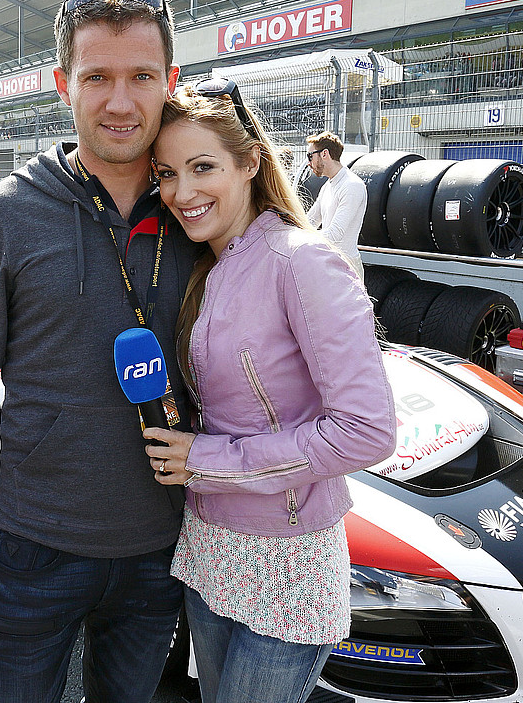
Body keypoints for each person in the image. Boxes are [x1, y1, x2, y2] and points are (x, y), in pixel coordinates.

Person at [0, 0, 195, 703]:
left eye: (142, 77)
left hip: (162, 552)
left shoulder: (200, 210)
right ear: (62, 85)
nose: (120, 102)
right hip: (35, 548)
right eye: (97, 77)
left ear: (170, 82)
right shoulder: (4, 215)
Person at [146, 81, 396, 703]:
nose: (182, 192)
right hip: (209, 547)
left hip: (288, 564)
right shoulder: (202, 267)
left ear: (251, 163)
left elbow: (367, 431)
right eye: (167, 174)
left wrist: (206, 460)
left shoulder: (301, 261)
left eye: (202, 167)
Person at [305, 131, 368, 279]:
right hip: (330, 265)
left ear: (324, 154)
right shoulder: (328, 185)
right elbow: (310, 221)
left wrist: (302, 241)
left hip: (347, 270)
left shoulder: (352, 185)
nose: (308, 163)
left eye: (310, 156)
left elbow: (335, 234)